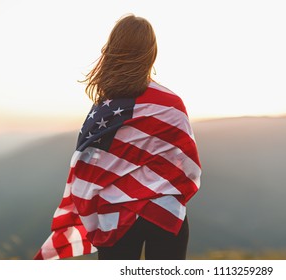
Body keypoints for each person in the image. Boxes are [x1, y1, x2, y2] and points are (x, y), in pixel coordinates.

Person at [34, 14, 201, 260]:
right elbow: (186, 164)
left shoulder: (103, 109)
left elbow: (87, 165)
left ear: (113, 50)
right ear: (151, 53)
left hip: (114, 219)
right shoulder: (171, 104)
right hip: (165, 213)